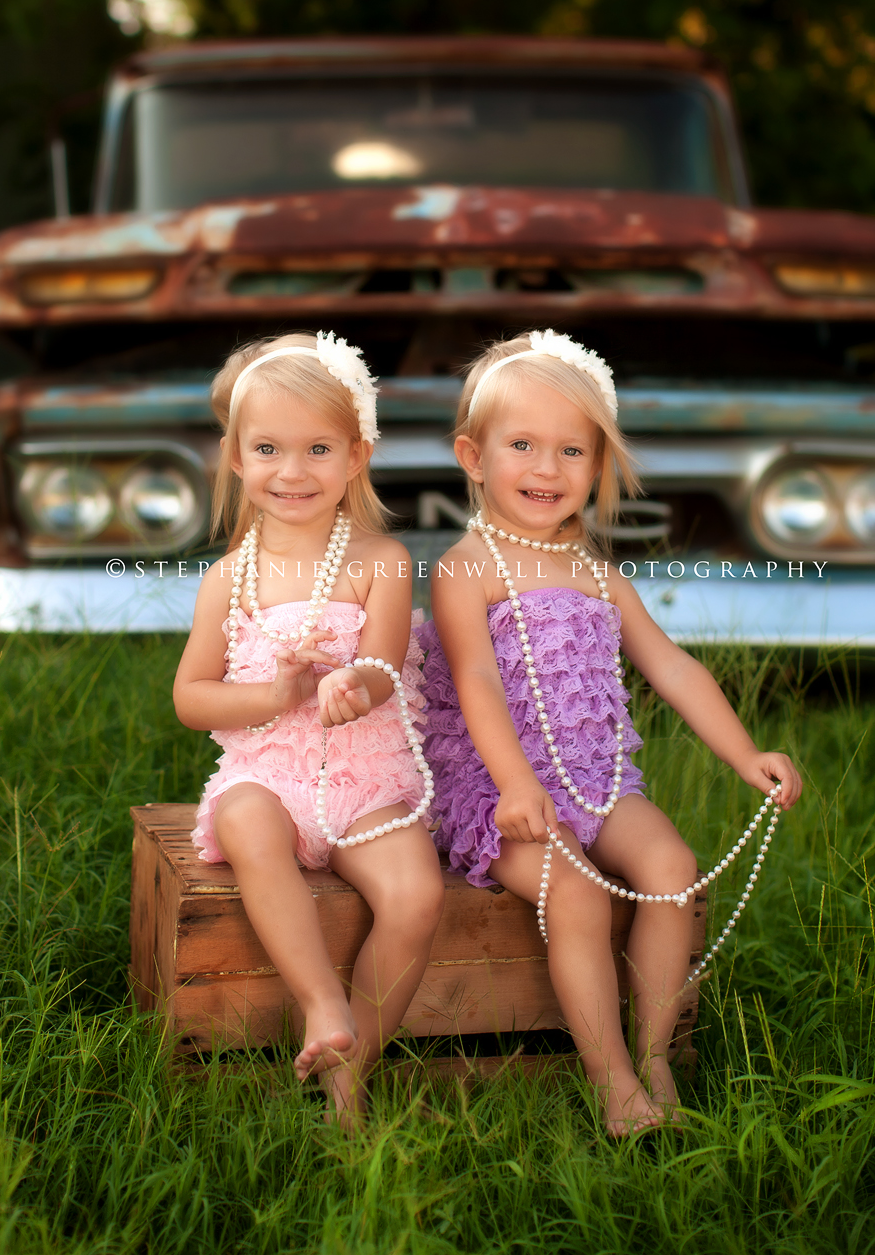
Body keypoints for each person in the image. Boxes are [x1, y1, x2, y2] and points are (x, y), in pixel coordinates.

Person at [421, 330, 802, 1136]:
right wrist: (519, 788)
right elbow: (477, 682)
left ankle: (655, 1049)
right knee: (582, 898)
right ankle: (613, 1080)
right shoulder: (468, 567)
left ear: (596, 466)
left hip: (595, 779)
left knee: (673, 867)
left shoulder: (600, 574)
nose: (546, 468)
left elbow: (672, 668)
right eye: (521, 444)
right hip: (500, 788)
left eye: (571, 450)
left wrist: (745, 754)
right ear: (473, 455)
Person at [174, 331, 444, 1122]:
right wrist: (276, 694)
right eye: (268, 449)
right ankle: (323, 1003)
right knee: (248, 821)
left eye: (318, 448)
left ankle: (351, 1074)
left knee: (416, 892)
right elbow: (192, 698)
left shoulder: (380, 559)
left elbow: (386, 661)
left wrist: (355, 686)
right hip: (271, 774)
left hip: (363, 776)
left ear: (356, 456)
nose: (292, 472)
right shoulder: (228, 578)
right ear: (235, 456)